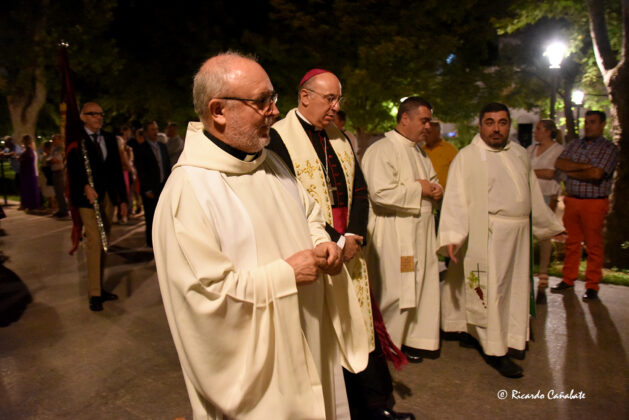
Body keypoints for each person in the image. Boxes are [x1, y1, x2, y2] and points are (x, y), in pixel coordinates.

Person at [152, 52, 369, 420]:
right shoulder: (189, 192)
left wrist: (321, 243)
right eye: (262, 101)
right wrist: (285, 275)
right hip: (261, 381)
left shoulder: (271, 163)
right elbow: (204, 300)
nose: (274, 111)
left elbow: (309, 214)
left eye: (273, 98)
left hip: (309, 340)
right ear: (218, 110)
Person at [269, 69, 412, 420]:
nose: (335, 106)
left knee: (357, 326)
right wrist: (337, 239)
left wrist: (354, 235)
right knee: (326, 333)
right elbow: (289, 200)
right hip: (315, 249)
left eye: (338, 99)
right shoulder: (278, 138)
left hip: (350, 246)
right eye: (329, 98)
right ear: (305, 96)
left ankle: (373, 407)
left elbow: (360, 191)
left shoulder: (340, 138)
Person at [438, 103, 563, 378]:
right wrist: (452, 235)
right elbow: (456, 198)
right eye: (490, 122)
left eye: (502, 122)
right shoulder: (468, 157)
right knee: (491, 291)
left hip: (518, 234)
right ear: (480, 125)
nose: (496, 129)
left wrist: (547, 226)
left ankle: (506, 335)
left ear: (509, 125)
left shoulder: (519, 153)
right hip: (489, 232)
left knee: (515, 289)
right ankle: (495, 349)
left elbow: (531, 193)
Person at [362, 97, 442, 363]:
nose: (428, 127)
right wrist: (420, 188)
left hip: (419, 231)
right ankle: (384, 345)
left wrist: (436, 189)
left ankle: (409, 340)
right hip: (394, 232)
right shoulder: (382, 149)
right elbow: (379, 193)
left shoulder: (419, 152)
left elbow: (431, 182)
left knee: (418, 287)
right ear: (405, 118)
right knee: (395, 291)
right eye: (424, 120)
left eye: (429, 121)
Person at [551, 110, 619, 301]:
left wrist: (573, 169)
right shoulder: (575, 144)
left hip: (594, 202)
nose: (588, 126)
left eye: (593, 122)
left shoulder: (609, 148)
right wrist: (586, 166)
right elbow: (560, 163)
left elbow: (597, 174)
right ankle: (568, 279)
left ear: (602, 124)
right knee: (571, 243)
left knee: (593, 245)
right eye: (586, 122)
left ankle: (592, 285)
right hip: (572, 200)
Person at [66, 102, 128, 311]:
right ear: (83, 117)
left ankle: (99, 287)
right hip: (87, 199)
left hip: (107, 197)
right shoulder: (76, 141)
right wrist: (84, 186)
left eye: (100, 114)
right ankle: (94, 293)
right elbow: (72, 172)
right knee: (93, 241)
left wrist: (123, 200)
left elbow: (117, 171)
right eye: (93, 114)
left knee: (103, 242)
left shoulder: (109, 138)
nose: (98, 117)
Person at [528, 120, 564, 296]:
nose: (535, 131)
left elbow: (550, 173)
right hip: (528, 195)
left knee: (544, 235)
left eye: (539, 128)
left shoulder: (558, 150)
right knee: (526, 235)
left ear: (548, 132)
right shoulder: (531, 149)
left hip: (546, 195)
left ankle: (543, 274)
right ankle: (526, 274)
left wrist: (529, 172)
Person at [134, 121, 170, 247]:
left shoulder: (162, 146)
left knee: (164, 215)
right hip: (150, 188)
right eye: (152, 129)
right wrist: (146, 189)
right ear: (146, 132)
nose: (155, 132)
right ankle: (151, 242)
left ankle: (164, 240)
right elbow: (141, 170)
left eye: (156, 129)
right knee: (151, 216)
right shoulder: (141, 148)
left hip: (163, 186)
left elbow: (167, 165)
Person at [421, 121, 458, 189]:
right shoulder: (421, 151)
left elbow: (458, 172)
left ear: (438, 133)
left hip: (446, 192)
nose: (426, 135)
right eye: (425, 132)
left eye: (429, 132)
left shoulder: (449, 149)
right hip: (426, 192)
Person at [19, 135, 41, 211]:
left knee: (30, 189)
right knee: (28, 189)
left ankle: (32, 205)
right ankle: (28, 204)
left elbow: (26, 160)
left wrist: (21, 159)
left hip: (29, 173)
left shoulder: (29, 151)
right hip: (27, 173)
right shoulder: (28, 151)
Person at [49, 134, 69, 217]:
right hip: (55, 171)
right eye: (53, 139)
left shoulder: (61, 149)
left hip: (60, 172)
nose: (53, 141)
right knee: (58, 192)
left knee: (61, 192)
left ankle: (64, 210)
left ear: (60, 140)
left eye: (55, 139)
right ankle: (61, 209)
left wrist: (53, 160)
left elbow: (61, 161)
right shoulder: (54, 149)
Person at [1, 136, 23, 202]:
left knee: (21, 186)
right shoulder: (7, 148)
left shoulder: (15, 147)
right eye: (5, 142)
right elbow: (3, 153)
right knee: (18, 186)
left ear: (10, 141)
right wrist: (2, 153)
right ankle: (22, 201)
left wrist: (5, 154)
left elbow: (14, 153)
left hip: (21, 170)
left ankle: (23, 201)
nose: (5, 144)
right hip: (17, 171)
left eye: (6, 142)